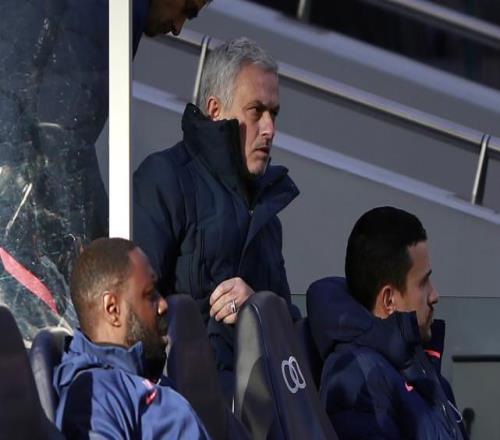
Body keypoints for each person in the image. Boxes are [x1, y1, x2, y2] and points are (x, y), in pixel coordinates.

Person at [0, 0, 211, 342]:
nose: (178, 27)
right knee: (45, 342)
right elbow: (62, 135)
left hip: (17, 194)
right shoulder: (107, 13)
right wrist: (102, 244)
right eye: (187, 9)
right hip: (13, 207)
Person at [134, 37, 300, 397]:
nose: (269, 129)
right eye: (256, 111)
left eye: (274, 113)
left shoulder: (268, 216)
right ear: (214, 110)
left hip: (257, 410)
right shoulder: (164, 179)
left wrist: (257, 309)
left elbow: (290, 334)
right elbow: (136, 310)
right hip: (182, 406)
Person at [307, 206, 467, 439]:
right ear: (389, 299)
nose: (434, 295)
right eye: (423, 283)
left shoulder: (422, 370)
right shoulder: (358, 378)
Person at [53, 237, 210, 439]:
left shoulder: (149, 379)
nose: (163, 305)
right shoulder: (94, 395)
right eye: (150, 294)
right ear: (113, 309)